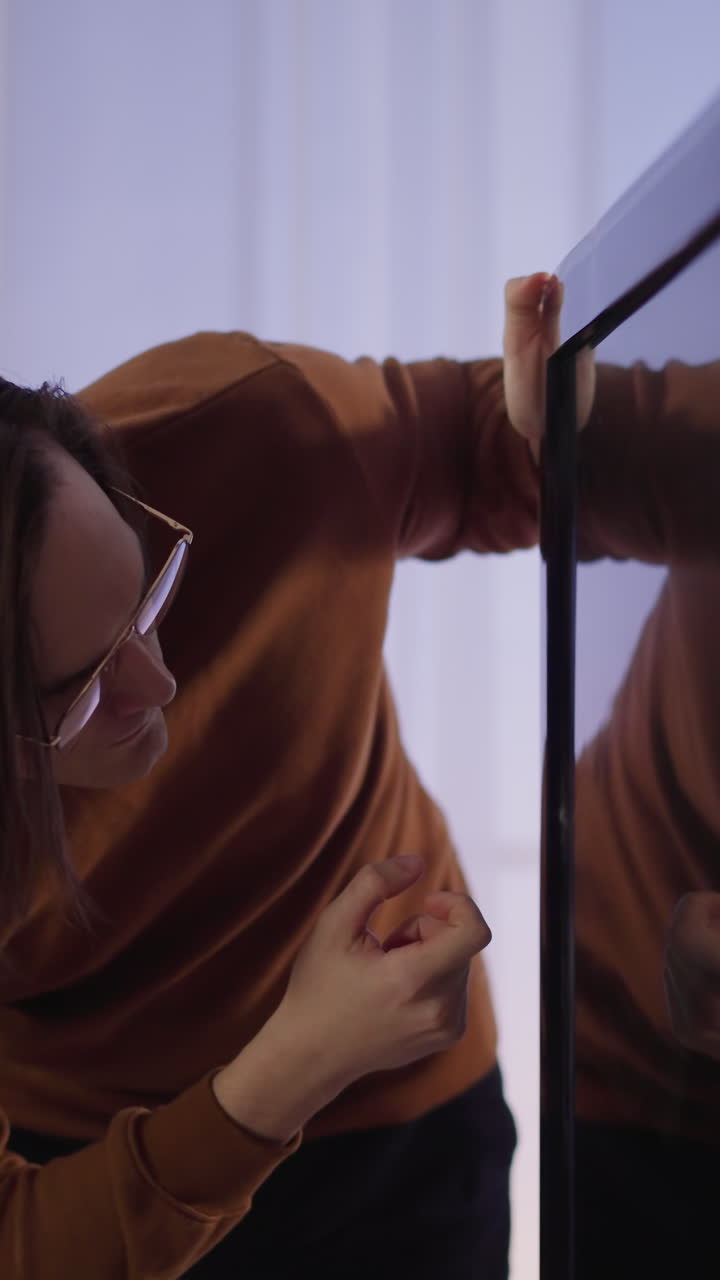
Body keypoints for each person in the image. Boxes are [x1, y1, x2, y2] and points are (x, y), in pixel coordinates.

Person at [0, 275, 564, 1280]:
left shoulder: (245, 421)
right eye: (79, 689)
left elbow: (478, 443)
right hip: (88, 1174)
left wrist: (545, 439)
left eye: (145, 590)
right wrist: (300, 1056)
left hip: (414, 1130)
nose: (161, 684)